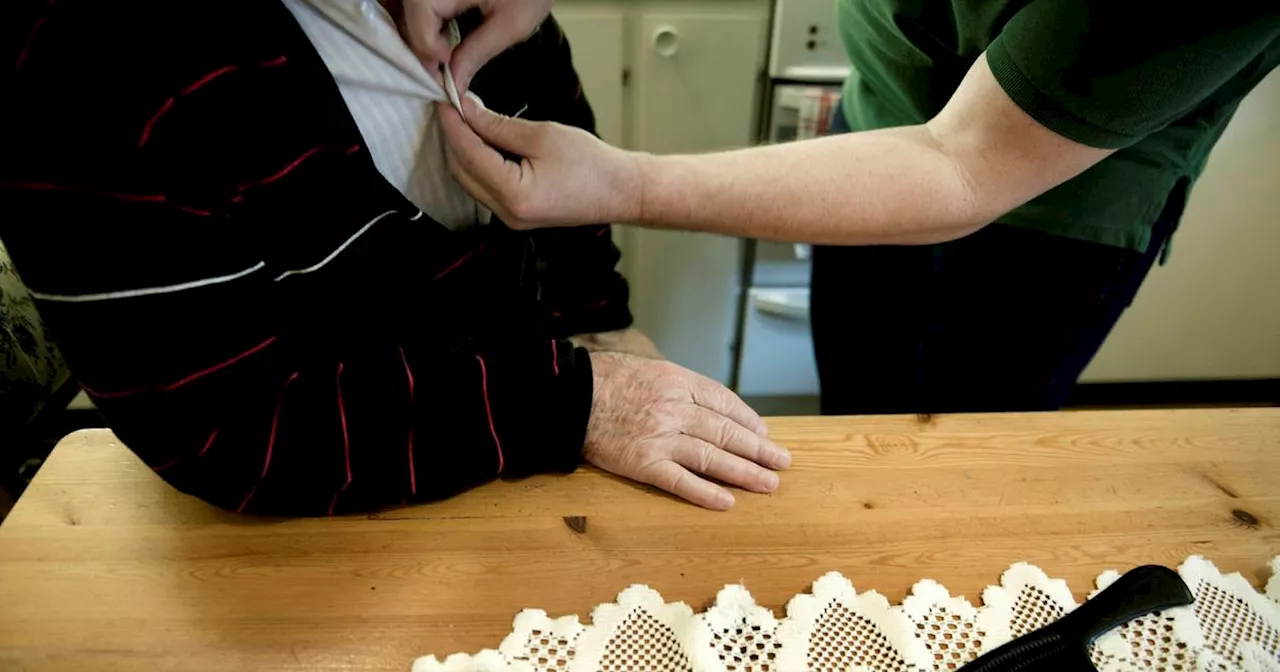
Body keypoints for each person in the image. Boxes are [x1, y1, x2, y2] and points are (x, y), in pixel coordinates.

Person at [0, 0, 789, 516]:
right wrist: (580, 401)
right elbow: (224, 430)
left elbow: (563, 186)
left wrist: (603, 328)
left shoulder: (498, 16)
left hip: (536, 456)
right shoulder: (88, 58)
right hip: (311, 528)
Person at [440, 3, 1280, 415]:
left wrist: (622, 190)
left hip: (1051, 217)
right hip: (887, 110)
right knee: (856, 405)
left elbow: (963, 164)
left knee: (962, 455)